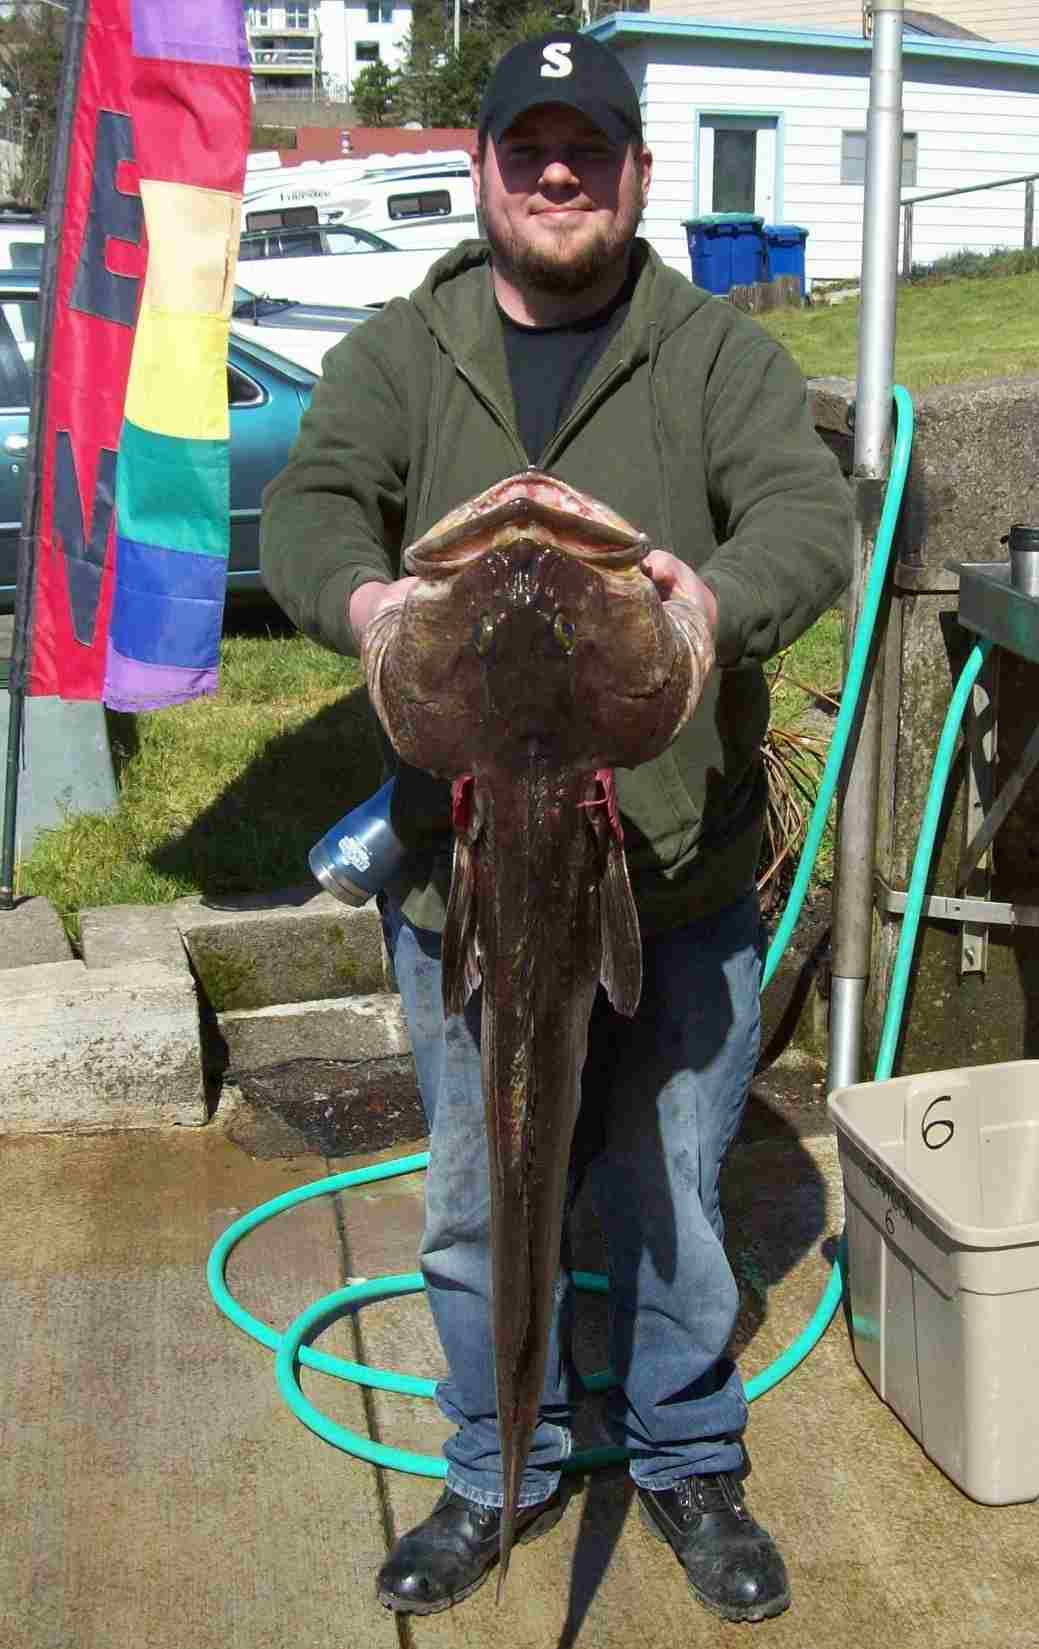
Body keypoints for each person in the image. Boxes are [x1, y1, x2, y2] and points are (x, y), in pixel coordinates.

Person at [261, 31, 852, 1625]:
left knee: (670, 1175)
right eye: (530, 144)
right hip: (468, 881)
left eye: (590, 144)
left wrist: (714, 606)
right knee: (477, 1186)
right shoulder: (404, 348)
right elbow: (315, 506)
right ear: (486, 167)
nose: (559, 171)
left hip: (675, 875)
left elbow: (810, 515)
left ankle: (681, 1453)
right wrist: (371, 599)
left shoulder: (714, 354)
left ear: (638, 172)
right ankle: (489, 1468)